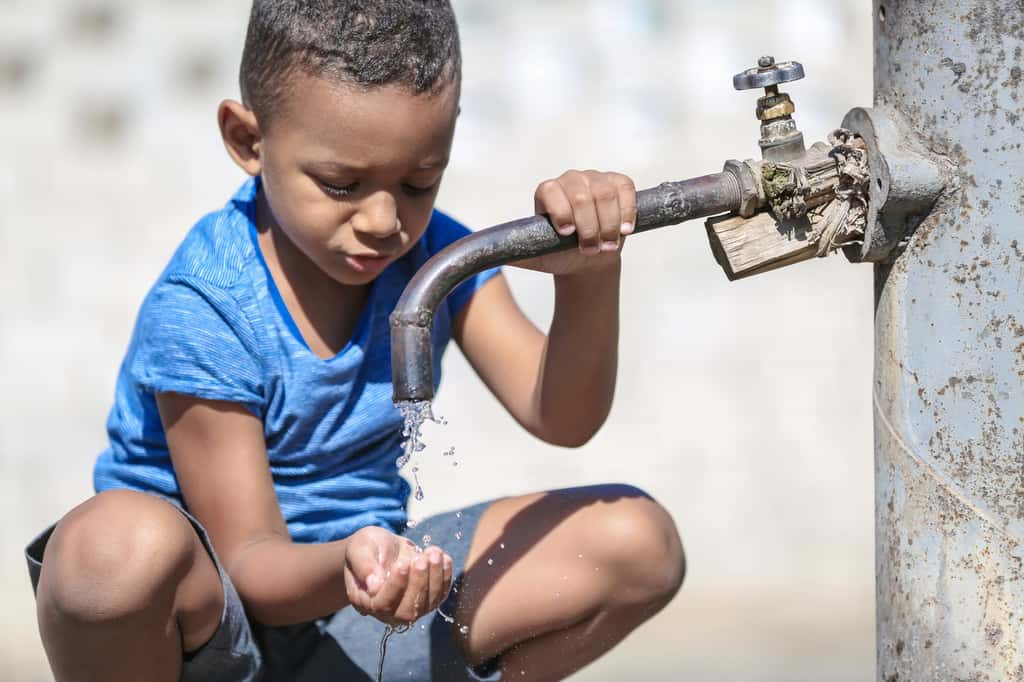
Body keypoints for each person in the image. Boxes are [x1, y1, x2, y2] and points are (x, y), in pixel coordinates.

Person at [26, 1, 685, 680]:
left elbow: (562, 415)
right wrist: (349, 564)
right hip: (215, 631)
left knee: (638, 542)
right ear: (249, 141)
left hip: (369, 598)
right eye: (341, 184)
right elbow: (251, 562)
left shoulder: (438, 259)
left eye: (417, 181)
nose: (382, 220)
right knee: (106, 552)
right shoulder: (208, 305)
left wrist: (589, 276)